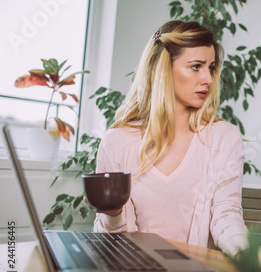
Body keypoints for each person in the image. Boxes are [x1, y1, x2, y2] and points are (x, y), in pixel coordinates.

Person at [92, 20, 248, 256]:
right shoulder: (117, 142)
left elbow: (227, 215)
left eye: (211, 67)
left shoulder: (224, 138)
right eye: (196, 66)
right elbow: (109, 244)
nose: (208, 78)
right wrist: (112, 215)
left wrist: (249, 258)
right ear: (164, 68)